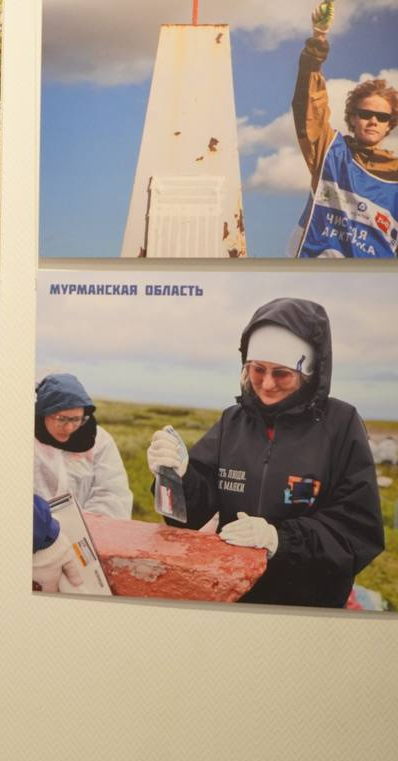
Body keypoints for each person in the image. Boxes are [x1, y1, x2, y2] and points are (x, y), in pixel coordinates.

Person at [145, 297, 384, 607]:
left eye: (281, 373)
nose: (267, 384)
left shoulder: (341, 425)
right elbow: (191, 516)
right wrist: (178, 478)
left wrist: (278, 539)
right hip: (233, 596)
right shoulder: (232, 421)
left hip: (308, 606)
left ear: (308, 372)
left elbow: (358, 532)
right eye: (257, 369)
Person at [291, 2, 398, 257]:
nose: (373, 121)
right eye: (365, 114)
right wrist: (318, 41)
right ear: (352, 117)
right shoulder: (330, 151)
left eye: (382, 117)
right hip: (317, 269)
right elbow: (309, 109)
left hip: (375, 278)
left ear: (389, 125)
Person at [33, 373, 133, 519]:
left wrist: (83, 524)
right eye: (61, 419)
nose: (69, 428)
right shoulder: (26, 440)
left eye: (76, 419)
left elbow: (113, 494)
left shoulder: (100, 441)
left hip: (88, 528)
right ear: (43, 413)